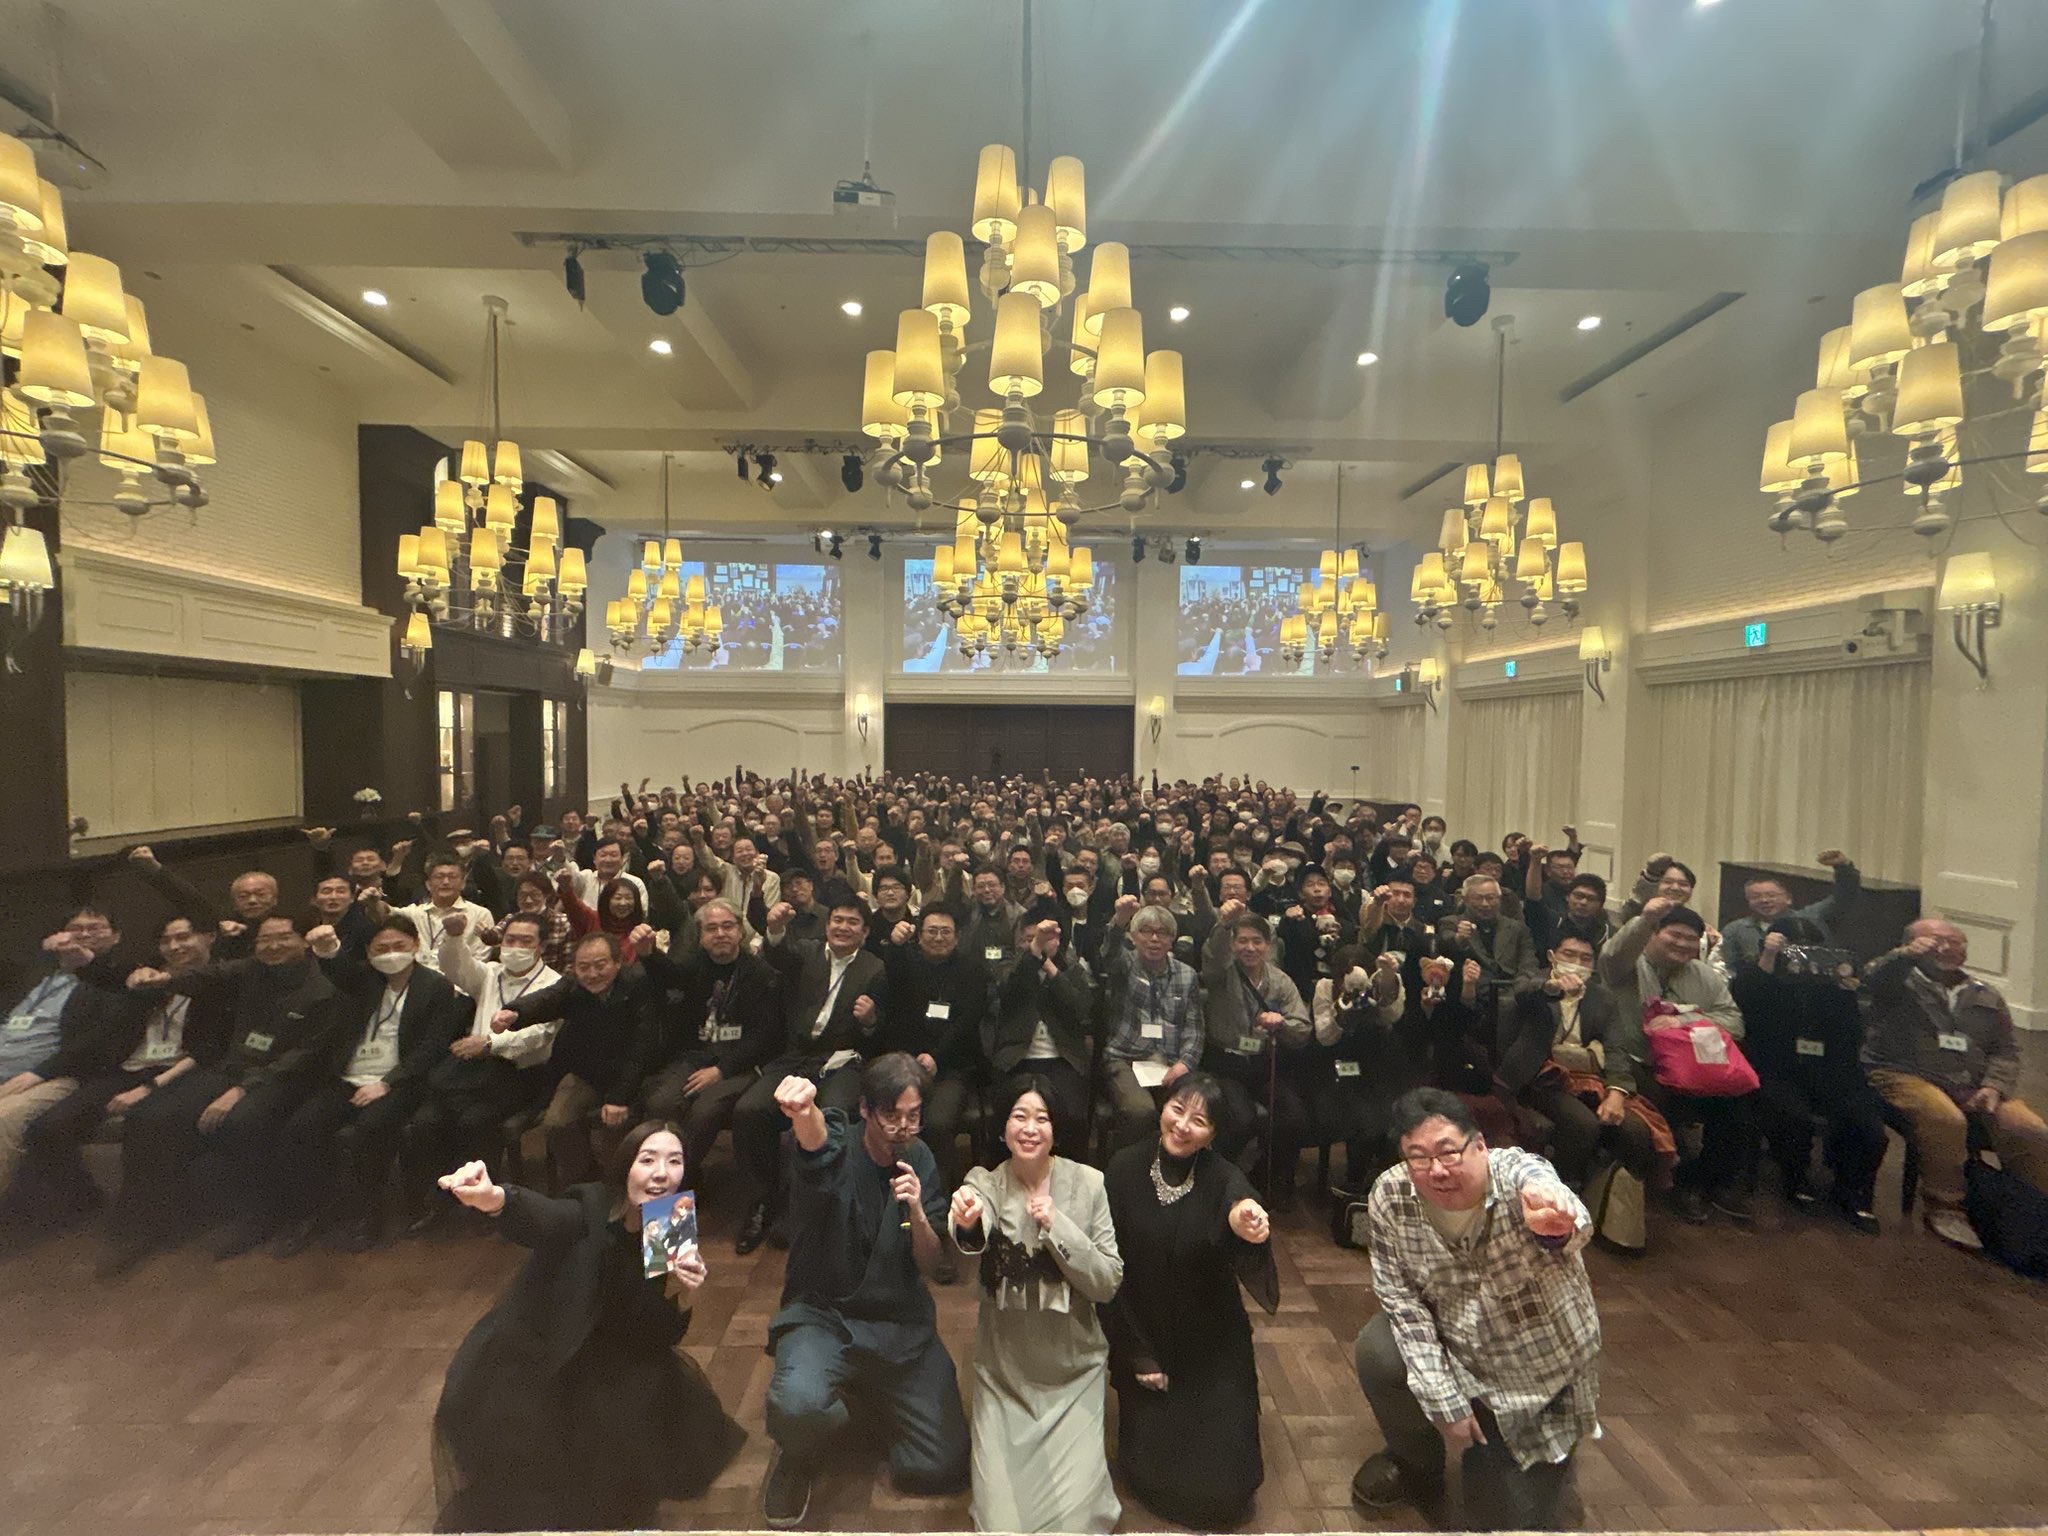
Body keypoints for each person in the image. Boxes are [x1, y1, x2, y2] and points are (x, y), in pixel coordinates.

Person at [432, 1122, 745, 1532]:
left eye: (675, 1161)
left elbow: (658, 1335)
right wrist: (494, 1198)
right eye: (647, 1159)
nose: (661, 1173)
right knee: (530, 1486)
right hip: (542, 1348)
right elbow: (546, 1217)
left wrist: (684, 1295)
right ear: (626, 1166)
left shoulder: (669, 1220)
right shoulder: (591, 1205)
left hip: (609, 1353)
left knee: (639, 1411)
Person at [1352, 1089, 1600, 1531]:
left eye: (1449, 1152)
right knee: (1379, 1350)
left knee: (1499, 1520)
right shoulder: (1391, 1195)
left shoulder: (1515, 1177)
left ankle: (1553, 1463)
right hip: (1458, 1340)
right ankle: (1415, 1465)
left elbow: (1553, 1198)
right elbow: (1403, 1304)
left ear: (1480, 1145)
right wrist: (1443, 1399)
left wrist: (1556, 1220)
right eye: (1418, 1157)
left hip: (1535, 1371)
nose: (1437, 1169)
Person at [759, 1056, 969, 1528]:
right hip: (824, 1317)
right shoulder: (839, 1144)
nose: (902, 1128)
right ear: (865, 1110)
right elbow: (816, 1146)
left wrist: (917, 1212)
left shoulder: (920, 1157)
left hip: (898, 1324)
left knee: (939, 1466)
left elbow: (933, 1265)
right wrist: (804, 1111)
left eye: (913, 1116)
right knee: (798, 1406)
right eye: (891, 1115)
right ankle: (798, 1452)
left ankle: (862, 1397)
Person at [107, 913, 346, 1269]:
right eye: (265, 939)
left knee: (241, 1122)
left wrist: (240, 1090)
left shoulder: (323, 985)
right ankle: (152, 1220)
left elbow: (305, 1055)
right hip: (233, 1067)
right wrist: (164, 978)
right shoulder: (252, 969)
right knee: (150, 1116)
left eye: (283, 937)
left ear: (304, 941)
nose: (273, 946)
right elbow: (209, 974)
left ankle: (260, 1216)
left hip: (287, 1077)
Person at [1102, 1072, 1277, 1530]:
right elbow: (1106, 1273)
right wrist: (1137, 1353)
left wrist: (1245, 1222)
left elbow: (1240, 1203)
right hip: (1144, 1328)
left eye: (1199, 1121)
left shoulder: (1223, 1176)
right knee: (1155, 1476)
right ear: (1162, 1108)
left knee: (1228, 1491)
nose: (1182, 1126)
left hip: (1210, 1338)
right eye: (1177, 1110)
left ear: (1213, 1134)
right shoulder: (1123, 1168)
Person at [948, 1079, 1123, 1533]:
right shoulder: (984, 1183)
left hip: (1072, 1374)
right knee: (1000, 1525)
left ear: (1056, 1130)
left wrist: (1058, 1225)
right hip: (1004, 1378)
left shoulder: (1089, 1184)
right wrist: (967, 1222)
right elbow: (970, 1226)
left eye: (1042, 1119)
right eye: (1019, 1116)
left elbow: (1107, 1283)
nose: (1030, 1128)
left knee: (1076, 1525)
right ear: (1002, 1127)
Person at [15, 915, 231, 1227]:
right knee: (47, 1128)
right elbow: (110, 978)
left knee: (146, 1121)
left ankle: (145, 1221)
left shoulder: (221, 980)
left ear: (208, 937)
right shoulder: (150, 977)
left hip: (181, 1071)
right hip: (129, 1069)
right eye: (166, 940)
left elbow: (210, 1050)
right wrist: (85, 960)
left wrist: (148, 1088)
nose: (174, 946)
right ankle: (86, 1201)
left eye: (183, 937)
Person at [278, 917, 466, 1252]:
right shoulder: (366, 980)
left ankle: (370, 1215)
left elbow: (432, 1047)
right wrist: (328, 949)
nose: (391, 954)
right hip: (350, 1077)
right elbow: (340, 970)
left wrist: (388, 1083)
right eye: (382, 948)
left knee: (370, 1128)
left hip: (401, 1080)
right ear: (369, 953)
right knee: (301, 1127)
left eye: (399, 946)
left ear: (415, 946)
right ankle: (314, 1211)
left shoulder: (434, 986)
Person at [1862, 919, 2048, 1249]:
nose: (1946, 948)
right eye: (1935, 941)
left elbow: (2005, 1050)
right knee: (1945, 1118)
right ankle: (1946, 1206)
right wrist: (1904, 956)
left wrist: (1993, 1086)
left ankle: (2036, 1207)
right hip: (1904, 1074)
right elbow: (1875, 977)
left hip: (1972, 1083)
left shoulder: (1985, 994)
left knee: (2028, 1127)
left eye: (1955, 942)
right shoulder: (1897, 982)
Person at [732, 897, 888, 1254]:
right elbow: (778, 955)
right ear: (827, 924)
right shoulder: (805, 951)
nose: (843, 927)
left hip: (842, 1060)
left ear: (865, 932)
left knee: (833, 1116)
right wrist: (774, 929)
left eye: (852, 922)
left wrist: (869, 1021)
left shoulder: (875, 968)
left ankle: (814, 1205)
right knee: (749, 1110)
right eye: (837, 919)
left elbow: (879, 1036)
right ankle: (764, 1200)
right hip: (795, 1057)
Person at [1600, 901, 1759, 1224]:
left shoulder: (1704, 975)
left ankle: (1714, 1180)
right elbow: (1613, 954)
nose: (1683, 944)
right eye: (1675, 935)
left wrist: (1683, 1021)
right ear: (1654, 934)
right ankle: (1680, 1186)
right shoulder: (1627, 966)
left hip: (1693, 1066)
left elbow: (1734, 1022)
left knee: (1737, 1109)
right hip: (1636, 1061)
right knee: (1665, 1106)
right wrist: (1645, 920)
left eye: (1691, 939)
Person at [406, 911, 563, 1233]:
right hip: (473, 1073)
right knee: (426, 1121)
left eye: (525, 941)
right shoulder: (491, 973)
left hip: (522, 1073)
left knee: (473, 1121)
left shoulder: (554, 984)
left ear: (541, 946)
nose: (515, 947)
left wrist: (491, 1043)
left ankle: (484, 1203)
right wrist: (453, 937)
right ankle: (440, 1199)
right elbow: (456, 968)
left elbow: (539, 1036)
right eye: (510, 940)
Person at [1728, 922, 1885, 1232]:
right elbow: (1745, 1000)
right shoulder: (1758, 977)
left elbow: (1851, 1034)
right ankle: (1796, 1177)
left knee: (1868, 1125)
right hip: (1776, 1066)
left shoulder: (1832, 987)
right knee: (1792, 1116)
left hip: (1832, 1069)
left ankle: (1852, 1189)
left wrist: (1846, 991)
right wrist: (1769, 957)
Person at [1498, 935, 1667, 1197]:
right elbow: (1522, 993)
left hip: (1586, 1074)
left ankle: (1608, 1195)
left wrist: (1616, 1092)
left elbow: (1616, 1048)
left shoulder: (1602, 997)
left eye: (1585, 958)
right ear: (1552, 956)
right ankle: (1559, 1189)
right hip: (1539, 1075)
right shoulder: (1535, 983)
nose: (1577, 962)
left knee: (1635, 1130)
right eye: (1569, 954)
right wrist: (1553, 987)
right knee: (1583, 1124)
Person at [494, 932, 662, 1188]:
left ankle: (626, 1188)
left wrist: (619, 1098)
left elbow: (642, 1047)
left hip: (633, 1075)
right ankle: (586, 1185)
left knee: (619, 1130)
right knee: (557, 1123)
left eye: (600, 965)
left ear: (618, 963)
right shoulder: (574, 984)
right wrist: (515, 1012)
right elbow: (547, 999)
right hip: (586, 1074)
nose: (592, 974)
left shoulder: (639, 984)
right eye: (584, 967)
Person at [637, 898, 784, 1176]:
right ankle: (676, 1175)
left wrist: (721, 1070)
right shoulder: (694, 965)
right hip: (695, 1056)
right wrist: (648, 954)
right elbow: (668, 978)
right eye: (711, 928)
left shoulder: (760, 973)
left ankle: (676, 1179)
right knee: (661, 1103)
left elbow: (764, 1036)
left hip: (738, 1063)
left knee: (704, 1111)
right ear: (701, 936)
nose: (720, 934)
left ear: (740, 931)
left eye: (727, 926)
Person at [0, 908, 129, 1207]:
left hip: (55, 1075)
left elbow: (97, 1041)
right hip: (9, 1065)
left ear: (116, 937)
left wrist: (39, 1073)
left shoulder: (119, 979)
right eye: (76, 928)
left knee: (3, 1119)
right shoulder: (35, 977)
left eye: (94, 928)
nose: (83, 934)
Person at [1198, 908, 1313, 1206]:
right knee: (1241, 1119)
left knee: (1294, 1116)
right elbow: (1212, 956)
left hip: (1263, 1063)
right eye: (1242, 941)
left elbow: (1302, 1028)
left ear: (1268, 945)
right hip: (1226, 1063)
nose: (1249, 947)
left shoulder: (1280, 981)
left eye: (1257, 941)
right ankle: (1215, 1182)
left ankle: (1266, 1177)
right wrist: (1224, 925)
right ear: (1233, 944)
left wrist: (1282, 1024)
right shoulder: (1221, 973)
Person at [1098, 901, 1205, 1150]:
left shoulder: (1187, 975)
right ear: (1134, 937)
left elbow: (1194, 1029)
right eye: (1146, 931)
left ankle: (1177, 1165)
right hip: (1125, 1059)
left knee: (1198, 1109)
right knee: (1141, 1111)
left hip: (1170, 1062)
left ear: (1172, 939)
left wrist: (1185, 1064)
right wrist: (1118, 921)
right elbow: (1108, 952)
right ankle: (1127, 1166)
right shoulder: (1125, 965)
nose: (1154, 939)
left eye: (1162, 933)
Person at [989, 917, 1096, 1154]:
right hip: (1017, 1060)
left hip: (1062, 1059)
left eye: (1044, 939)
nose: (1034, 943)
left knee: (1074, 1117)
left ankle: (1071, 1171)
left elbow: (1080, 1008)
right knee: (1008, 1116)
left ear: (1057, 941)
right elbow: (1008, 990)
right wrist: (1035, 951)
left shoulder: (1071, 969)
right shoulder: (1009, 967)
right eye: (1028, 939)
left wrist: (1052, 970)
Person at [1718, 851, 1862, 975]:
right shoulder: (1734, 930)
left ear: (1788, 899)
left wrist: (1842, 867)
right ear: (1748, 902)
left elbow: (1844, 896)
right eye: (1756, 897)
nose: (1764, 900)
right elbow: (1728, 971)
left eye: (1771, 895)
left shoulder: (1809, 917)